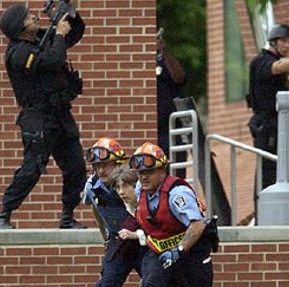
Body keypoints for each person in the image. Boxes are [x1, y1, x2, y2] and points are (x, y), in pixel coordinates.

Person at [0, 1, 86, 229]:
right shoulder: (18, 53)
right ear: (19, 28)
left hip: (60, 114)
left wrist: (69, 15)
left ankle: (67, 216)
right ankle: (4, 214)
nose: (34, 17)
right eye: (28, 17)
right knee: (33, 167)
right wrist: (60, 36)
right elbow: (53, 59)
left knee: (75, 167)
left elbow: (73, 35)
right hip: (38, 119)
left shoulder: (42, 38)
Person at [247, 23, 289, 219]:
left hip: (278, 124)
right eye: (283, 41)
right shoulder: (262, 60)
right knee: (267, 170)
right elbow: (275, 68)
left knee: (280, 169)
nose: (287, 46)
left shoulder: (274, 61)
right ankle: (263, 214)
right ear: (273, 41)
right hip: (267, 125)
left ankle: (273, 213)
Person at [129, 142, 215, 287]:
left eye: (149, 172)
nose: (143, 177)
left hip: (190, 254)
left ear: (162, 171)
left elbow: (197, 225)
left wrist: (178, 250)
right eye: (140, 173)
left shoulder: (177, 193)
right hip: (160, 253)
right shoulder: (140, 189)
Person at [83, 138, 143, 287]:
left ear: (118, 163)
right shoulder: (92, 186)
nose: (101, 170)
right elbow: (95, 208)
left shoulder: (137, 183)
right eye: (97, 166)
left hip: (142, 241)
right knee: (107, 283)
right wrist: (106, 238)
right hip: (119, 242)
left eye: (105, 165)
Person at [156, 31, 187, 178]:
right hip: (153, 129)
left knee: (175, 174)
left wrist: (163, 49)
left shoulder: (165, 61)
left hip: (172, 129)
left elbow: (179, 77)